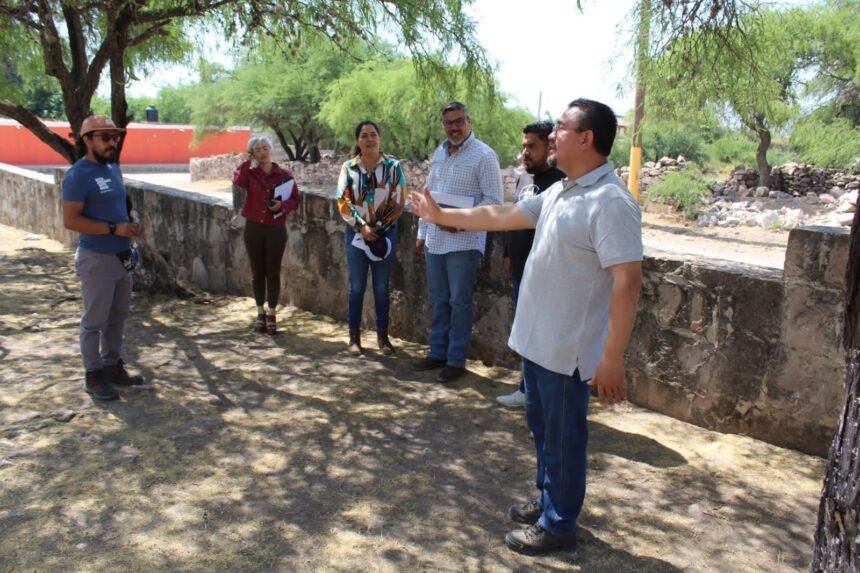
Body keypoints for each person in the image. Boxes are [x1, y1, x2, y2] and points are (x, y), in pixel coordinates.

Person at [408, 98, 643, 555]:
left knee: (563, 438)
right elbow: (501, 215)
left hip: (567, 350)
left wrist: (612, 358)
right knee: (543, 432)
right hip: (538, 342)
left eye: (561, 128)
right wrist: (441, 216)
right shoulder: (561, 192)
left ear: (586, 138)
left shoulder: (611, 202)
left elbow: (628, 282)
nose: (553, 135)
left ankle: (559, 525)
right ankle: (549, 499)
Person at [411, 101, 504, 383]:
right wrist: (422, 233)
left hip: (464, 241)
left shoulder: (484, 155)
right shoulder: (439, 153)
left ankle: (455, 359)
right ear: (443, 125)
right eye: (449, 122)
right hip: (435, 239)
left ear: (468, 121)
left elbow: (494, 202)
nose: (454, 127)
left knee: (459, 302)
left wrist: (459, 222)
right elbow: (429, 195)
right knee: (439, 299)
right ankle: (437, 352)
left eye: (459, 121)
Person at [62, 115, 146, 401]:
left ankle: (112, 365)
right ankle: (93, 374)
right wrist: (112, 228)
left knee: (117, 316)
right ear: (86, 140)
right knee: (94, 320)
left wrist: (132, 220)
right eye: (105, 137)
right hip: (97, 257)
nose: (113, 142)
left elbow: (123, 205)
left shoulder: (113, 169)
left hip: (122, 254)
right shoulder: (78, 175)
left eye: (115, 137)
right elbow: (71, 220)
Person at [497, 121, 565, 408]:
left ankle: (539, 394)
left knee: (543, 335)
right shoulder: (524, 177)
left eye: (532, 146)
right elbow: (512, 215)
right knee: (525, 331)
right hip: (520, 268)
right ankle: (527, 390)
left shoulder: (561, 181)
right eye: (524, 146)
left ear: (549, 147)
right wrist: (507, 252)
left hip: (545, 273)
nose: (526, 152)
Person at [336, 120, 407, 355]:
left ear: (380, 138)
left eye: (373, 134)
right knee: (356, 287)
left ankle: (383, 337)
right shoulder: (348, 168)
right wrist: (362, 227)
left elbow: (399, 199)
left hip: (384, 235)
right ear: (358, 141)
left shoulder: (393, 167)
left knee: (381, 287)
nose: (369, 139)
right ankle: (354, 338)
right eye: (364, 135)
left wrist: (379, 227)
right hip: (356, 235)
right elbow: (342, 199)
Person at [232, 136, 301, 335]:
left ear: (271, 150)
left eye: (265, 148)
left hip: (276, 229)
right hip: (254, 228)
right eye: (257, 149)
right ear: (253, 154)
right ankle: (260, 313)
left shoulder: (284, 175)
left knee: (273, 272)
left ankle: (271, 314)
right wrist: (247, 160)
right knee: (257, 272)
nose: (262, 152)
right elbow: (237, 179)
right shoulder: (250, 174)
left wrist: (282, 205)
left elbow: (295, 200)